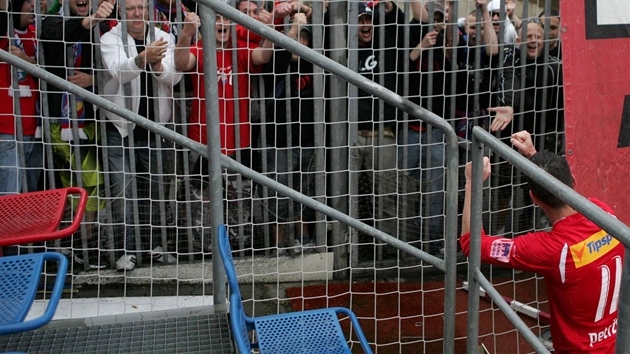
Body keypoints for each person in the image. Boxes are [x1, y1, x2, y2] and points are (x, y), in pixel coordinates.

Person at [460, 130, 624, 354]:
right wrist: (532, 155)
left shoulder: (551, 249)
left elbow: (472, 244)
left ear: (533, 198)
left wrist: (472, 183)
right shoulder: (603, 212)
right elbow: (563, 193)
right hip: (619, 343)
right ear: (573, 181)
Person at [174, 11, 273, 250]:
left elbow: (264, 55)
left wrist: (268, 30)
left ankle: (239, 251)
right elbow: (180, 63)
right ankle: (204, 253)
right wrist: (186, 33)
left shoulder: (239, 49)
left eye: (225, 18)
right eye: (216, 18)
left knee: (240, 204)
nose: (221, 23)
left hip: (240, 142)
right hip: (203, 143)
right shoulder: (199, 48)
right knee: (202, 204)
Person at [100, 0, 182, 271]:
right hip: (120, 126)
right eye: (131, 8)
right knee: (123, 191)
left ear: (150, 11)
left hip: (154, 127)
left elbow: (175, 78)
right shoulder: (110, 38)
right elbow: (118, 71)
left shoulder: (164, 36)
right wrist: (142, 58)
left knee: (155, 190)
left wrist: (157, 65)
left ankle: (154, 246)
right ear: (122, 12)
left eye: (141, 8)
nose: (137, 13)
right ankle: (128, 251)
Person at [259, 13, 315, 255]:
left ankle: (303, 237)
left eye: (304, 38)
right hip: (279, 142)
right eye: (295, 37)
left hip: (308, 141)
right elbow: (280, 56)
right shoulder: (277, 64)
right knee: (278, 193)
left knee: (305, 192)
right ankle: (279, 242)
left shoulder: (315, 65)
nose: (298, 42)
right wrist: (293, 27)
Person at [0, 0, 42, 196]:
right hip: (7, 131)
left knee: (28, 199)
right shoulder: (3, 32)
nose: (32, 5)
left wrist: (28, 61)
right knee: (10, 198)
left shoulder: (36, 34)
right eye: (27, 1)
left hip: (36, 132)